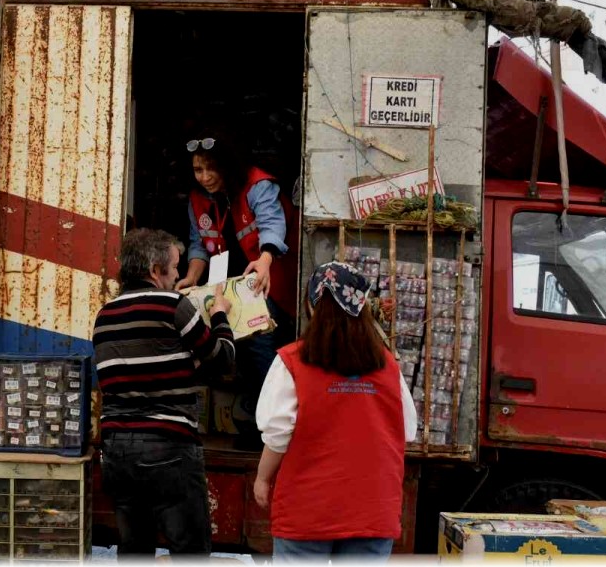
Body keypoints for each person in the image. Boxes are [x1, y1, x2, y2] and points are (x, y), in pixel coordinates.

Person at [252, 262, 418, 562]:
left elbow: (277, 434)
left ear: (312, 306)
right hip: (373, 511)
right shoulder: (387, 365)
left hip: (307, 511)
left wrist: (263, 479)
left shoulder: (292, 361)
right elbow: (407, 429)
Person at [91, 228, 236, 558]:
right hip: (168, 447)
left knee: (134, 549)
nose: (177, 277)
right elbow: (222, 361)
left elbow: (135, 372)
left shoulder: (104, 315)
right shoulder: (173, 305)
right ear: (156, 271)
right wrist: (219, 314)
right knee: (190, 551)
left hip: (117, 451)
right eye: (174, 268)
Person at [175, 134, 298, 449]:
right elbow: (199, 244)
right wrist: (191, 277)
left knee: (261, 352)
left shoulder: (258, 186)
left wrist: (266, 259)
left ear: (228, 165)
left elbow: (273, 225)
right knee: (238, 352)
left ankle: (271, 436)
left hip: (267, 282)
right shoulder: (197, 199)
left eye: (211, 169)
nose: (205, 177)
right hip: (230, 291)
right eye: (198, 170)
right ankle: (261, 428)